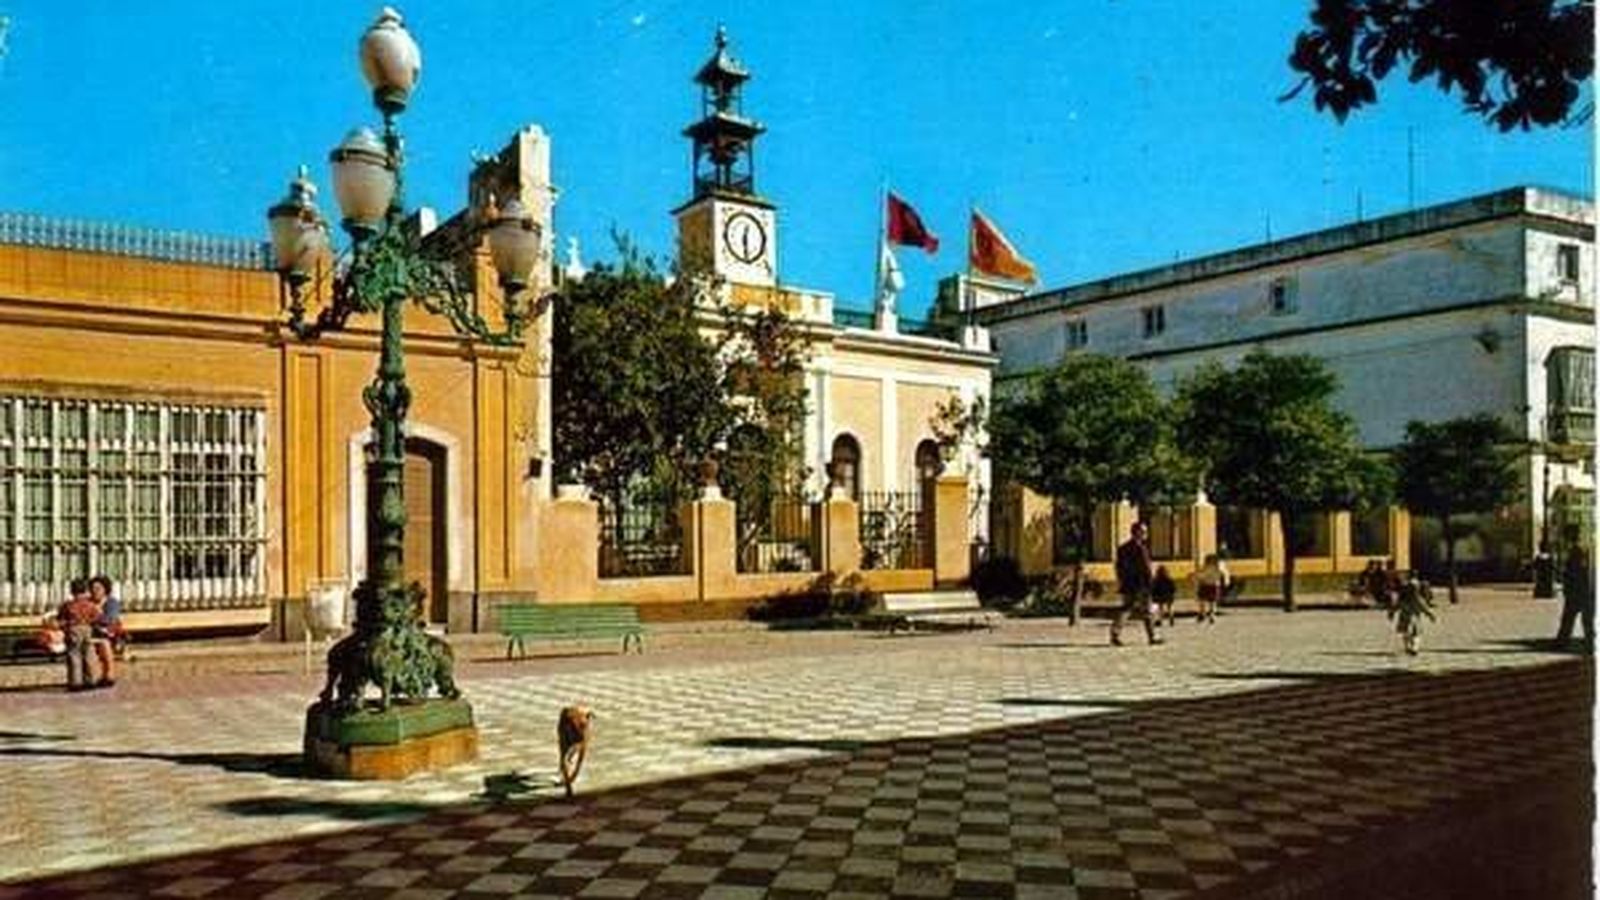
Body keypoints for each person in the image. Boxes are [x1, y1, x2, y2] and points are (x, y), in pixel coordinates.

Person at [1111, 521, 1161, 646]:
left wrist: (1121, 580)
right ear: (1137, 532)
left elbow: (1118, 567)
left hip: (1128, 584)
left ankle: (1115, 633)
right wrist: (1151, 583)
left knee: (1126, 609)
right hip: (1142, 585)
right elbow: (1146, 568)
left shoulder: (1122, 548)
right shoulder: (1141, 548)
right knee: (1146, 611)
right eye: (1143, 531)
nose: (1146, 534)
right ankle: (1152, 636)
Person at [56, 578, 101, 691]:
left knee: (74, 654)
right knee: (89, 654)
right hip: (87, 629)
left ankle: (76, 682)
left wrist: (65, 624)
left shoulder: (68, 605)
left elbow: (60, 617)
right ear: (85, 590)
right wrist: (89, 621)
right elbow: (98, 615)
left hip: (73, 629)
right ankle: (91, 680)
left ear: (72, 591)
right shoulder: (90, 604)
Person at [1556, 538, 1593, 650]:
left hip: (1576, 592)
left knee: (1569, 618)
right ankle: (1589, 641)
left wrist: (1567, 589)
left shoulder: (1576, 556)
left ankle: (1562, 641)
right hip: (1583, 591)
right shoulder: (1583, 558)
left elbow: (1569, 575)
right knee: (1586, 619)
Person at [1389, 570, 1435, 656]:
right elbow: (1424, 607)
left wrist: (1391, 613)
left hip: (1404, 616)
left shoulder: (1403, 598)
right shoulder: (1417, 599)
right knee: (1415, 633)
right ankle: (1414, 648)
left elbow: (1396, 605)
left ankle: (1408, 647)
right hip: (1414, 617)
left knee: (1406, 632)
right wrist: (1430, 615)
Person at [89, 575, 122, 687]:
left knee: (104, 643)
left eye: (98, 588)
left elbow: (109, 620)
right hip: (92, 634)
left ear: (105, 589)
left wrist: (96, 616)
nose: (95, 591)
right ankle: (93, 676)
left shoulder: (112, 603)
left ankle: (109, 675)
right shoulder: (89, 602)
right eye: (93, 589)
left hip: (111, 635)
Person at [1195, 553, 1229, 624]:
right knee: (1212, 602)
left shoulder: (1207, 567)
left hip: (1206, 584)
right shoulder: (1219, 566)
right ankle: (1211, 615)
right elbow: (1224, 574)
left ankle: (1203, 613)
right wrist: (1226, 582)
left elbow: (1202, 575)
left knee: (1203, 601)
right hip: (1214, 585)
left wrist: (1197, 578)